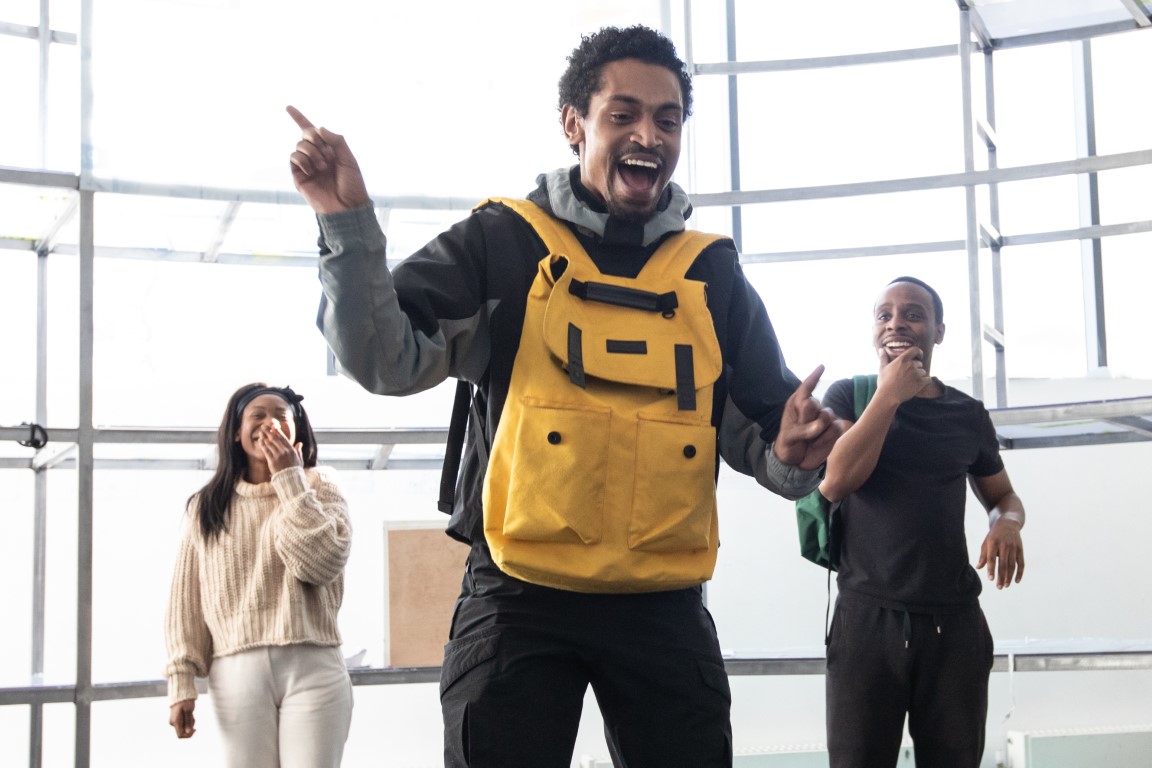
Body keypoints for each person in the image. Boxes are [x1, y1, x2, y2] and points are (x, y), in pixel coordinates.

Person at [288, 24, 842, 767]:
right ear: (574, 123)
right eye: (624, 115)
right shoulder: (503, 243)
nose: (649, 134)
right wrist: (346, 222)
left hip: (662, 605)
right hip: (517, 598)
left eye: (668, 118)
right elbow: (385, 359)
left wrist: (792, 452)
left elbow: (765, 435)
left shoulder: (710, 273)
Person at [818, 277, 1027, 768]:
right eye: (884, 314)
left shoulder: (966, 414)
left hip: (953, 627)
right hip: (866, 622)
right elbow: (837, 479)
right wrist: (889, 397)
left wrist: (1008, 524)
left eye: (912, 314)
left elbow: (1003, 496)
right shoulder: (849, 396)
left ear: (938, 332)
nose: (896, 323)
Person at [164, 383, 354, 768]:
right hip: (236, 670)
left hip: (314, 664)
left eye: (281, 416)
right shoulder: (206, 506)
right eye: (258, 415)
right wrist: (180, 681)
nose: (270, 423)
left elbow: (319, 563)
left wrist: (289, 479)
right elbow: (185, 601)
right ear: (237, 431)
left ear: (296, 430)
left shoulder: (322, 484)